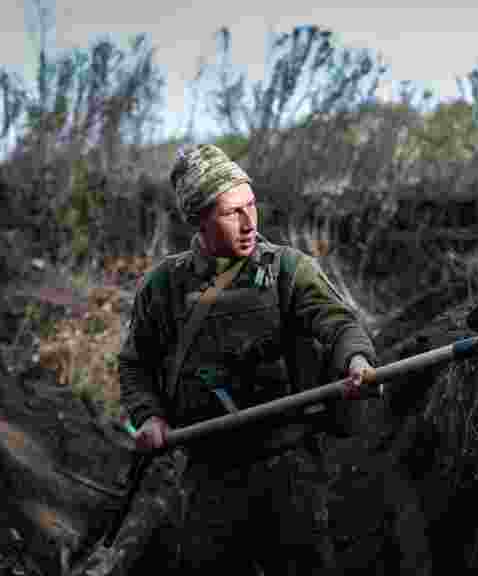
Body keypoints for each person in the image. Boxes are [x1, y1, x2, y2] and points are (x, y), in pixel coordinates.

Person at [118, 144, 377, 573]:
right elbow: (135, 363)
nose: (248, 223)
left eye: (251, 205)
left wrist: (357, 361)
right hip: (208, 475)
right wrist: (147, 416)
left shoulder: (288, 270)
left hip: (289, 468)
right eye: (230, 212)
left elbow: (338, 323)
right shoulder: (163, 286)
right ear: (199, 219)